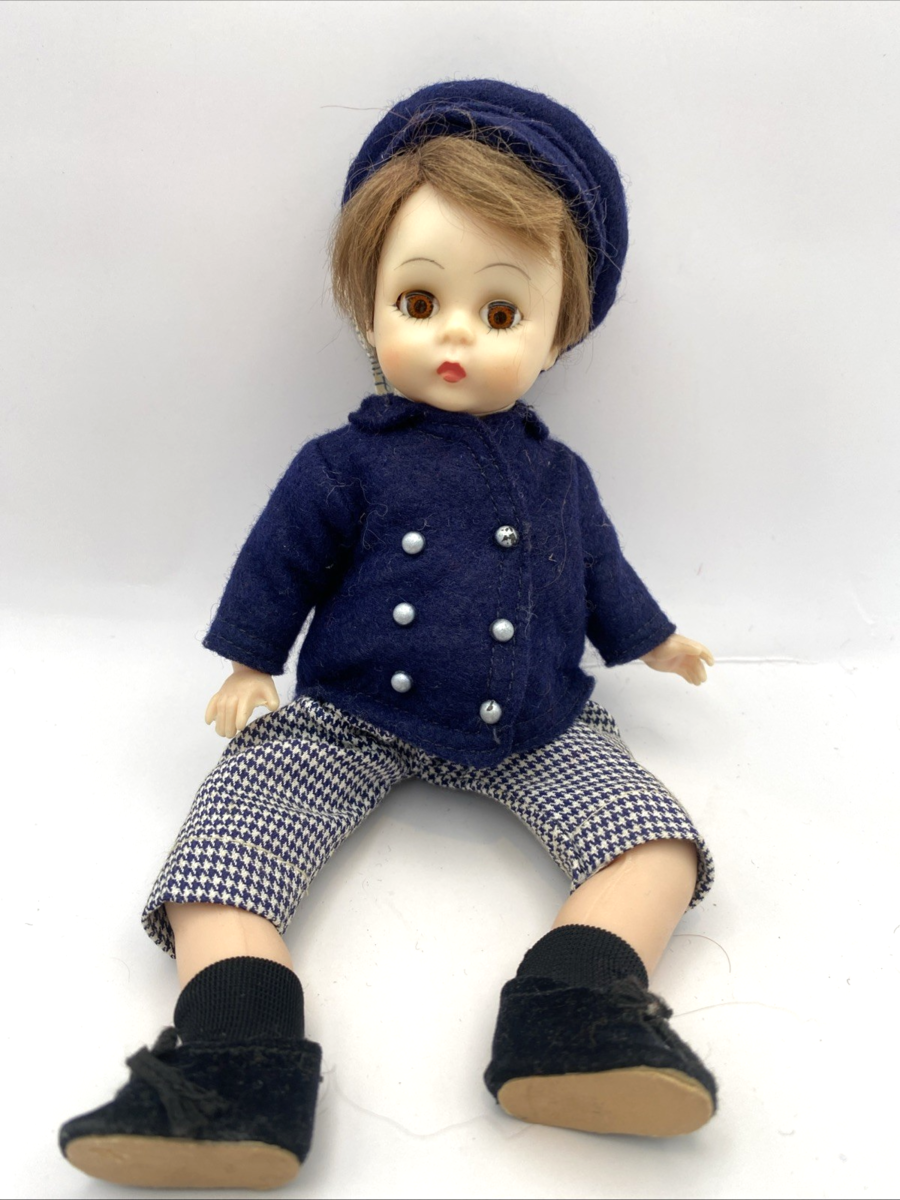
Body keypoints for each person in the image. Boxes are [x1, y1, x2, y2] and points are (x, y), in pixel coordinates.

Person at [59, 80, 718, 1191]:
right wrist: (249, 666)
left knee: (656, 842)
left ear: (559, 332)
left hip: (534, 719)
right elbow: (280, 565)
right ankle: (232, 1058)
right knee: (220, 852)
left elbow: (599, 572)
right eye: (419, 299)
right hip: (352, 712)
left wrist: (656, 641)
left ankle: (580, 1012)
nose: (455, 333)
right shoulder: (342, 464)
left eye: (500, 314)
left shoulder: (561, 477)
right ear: (370, 308)